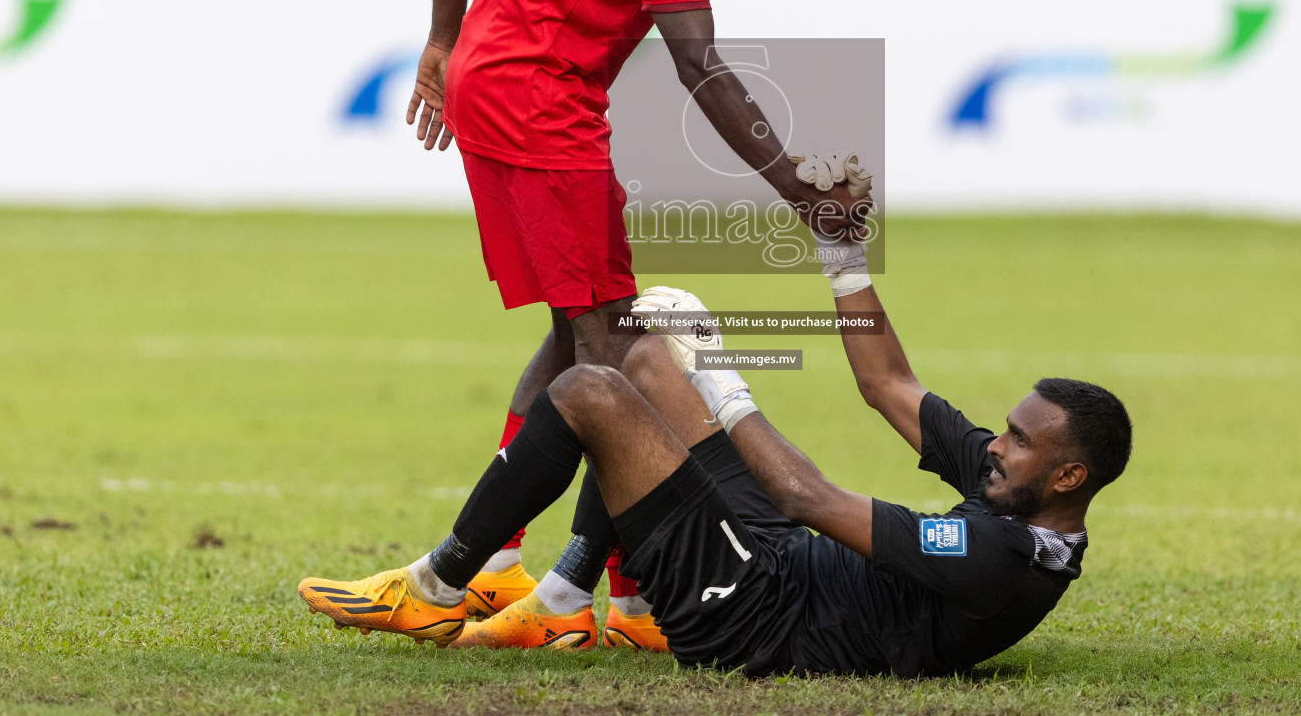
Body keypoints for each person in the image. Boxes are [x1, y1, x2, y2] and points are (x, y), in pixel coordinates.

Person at [392, 0, 865, 649]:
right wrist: (803, 193)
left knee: (585, 334)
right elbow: (701, 64)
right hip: (541, 107)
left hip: (493, 81)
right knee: (615, 360)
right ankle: (609, 596)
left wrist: (442, 42)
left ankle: (508, 571)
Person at [297, 246, 1134, 675]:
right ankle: (561, 598)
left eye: (1020, 440)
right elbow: (888, 383)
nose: (996, 443)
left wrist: (721, 371)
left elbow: (806, 495)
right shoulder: (1012, 486)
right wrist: (842, 252)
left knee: (593, 393)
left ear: (1069, 478)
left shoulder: (1001, 558)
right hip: (778, 561)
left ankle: (437, 587)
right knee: (644, 355)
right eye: (1008, 429)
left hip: (752, 618)